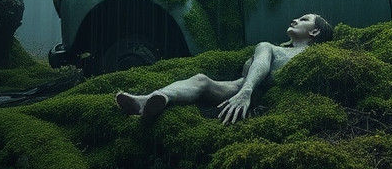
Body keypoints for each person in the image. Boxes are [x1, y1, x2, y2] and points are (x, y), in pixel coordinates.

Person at [114, 13, 333, 124]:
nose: (295, 20)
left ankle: (151, 101)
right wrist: (244, 89)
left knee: (264, 47)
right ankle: (147, 101)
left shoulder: (310, 56)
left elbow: (263, 64)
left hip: (248, 91)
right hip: (239, 88)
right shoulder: (276, 49)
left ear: (314, 33)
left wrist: (246, 92)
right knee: (200, 79)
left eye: (303, 19)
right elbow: (258, 66)